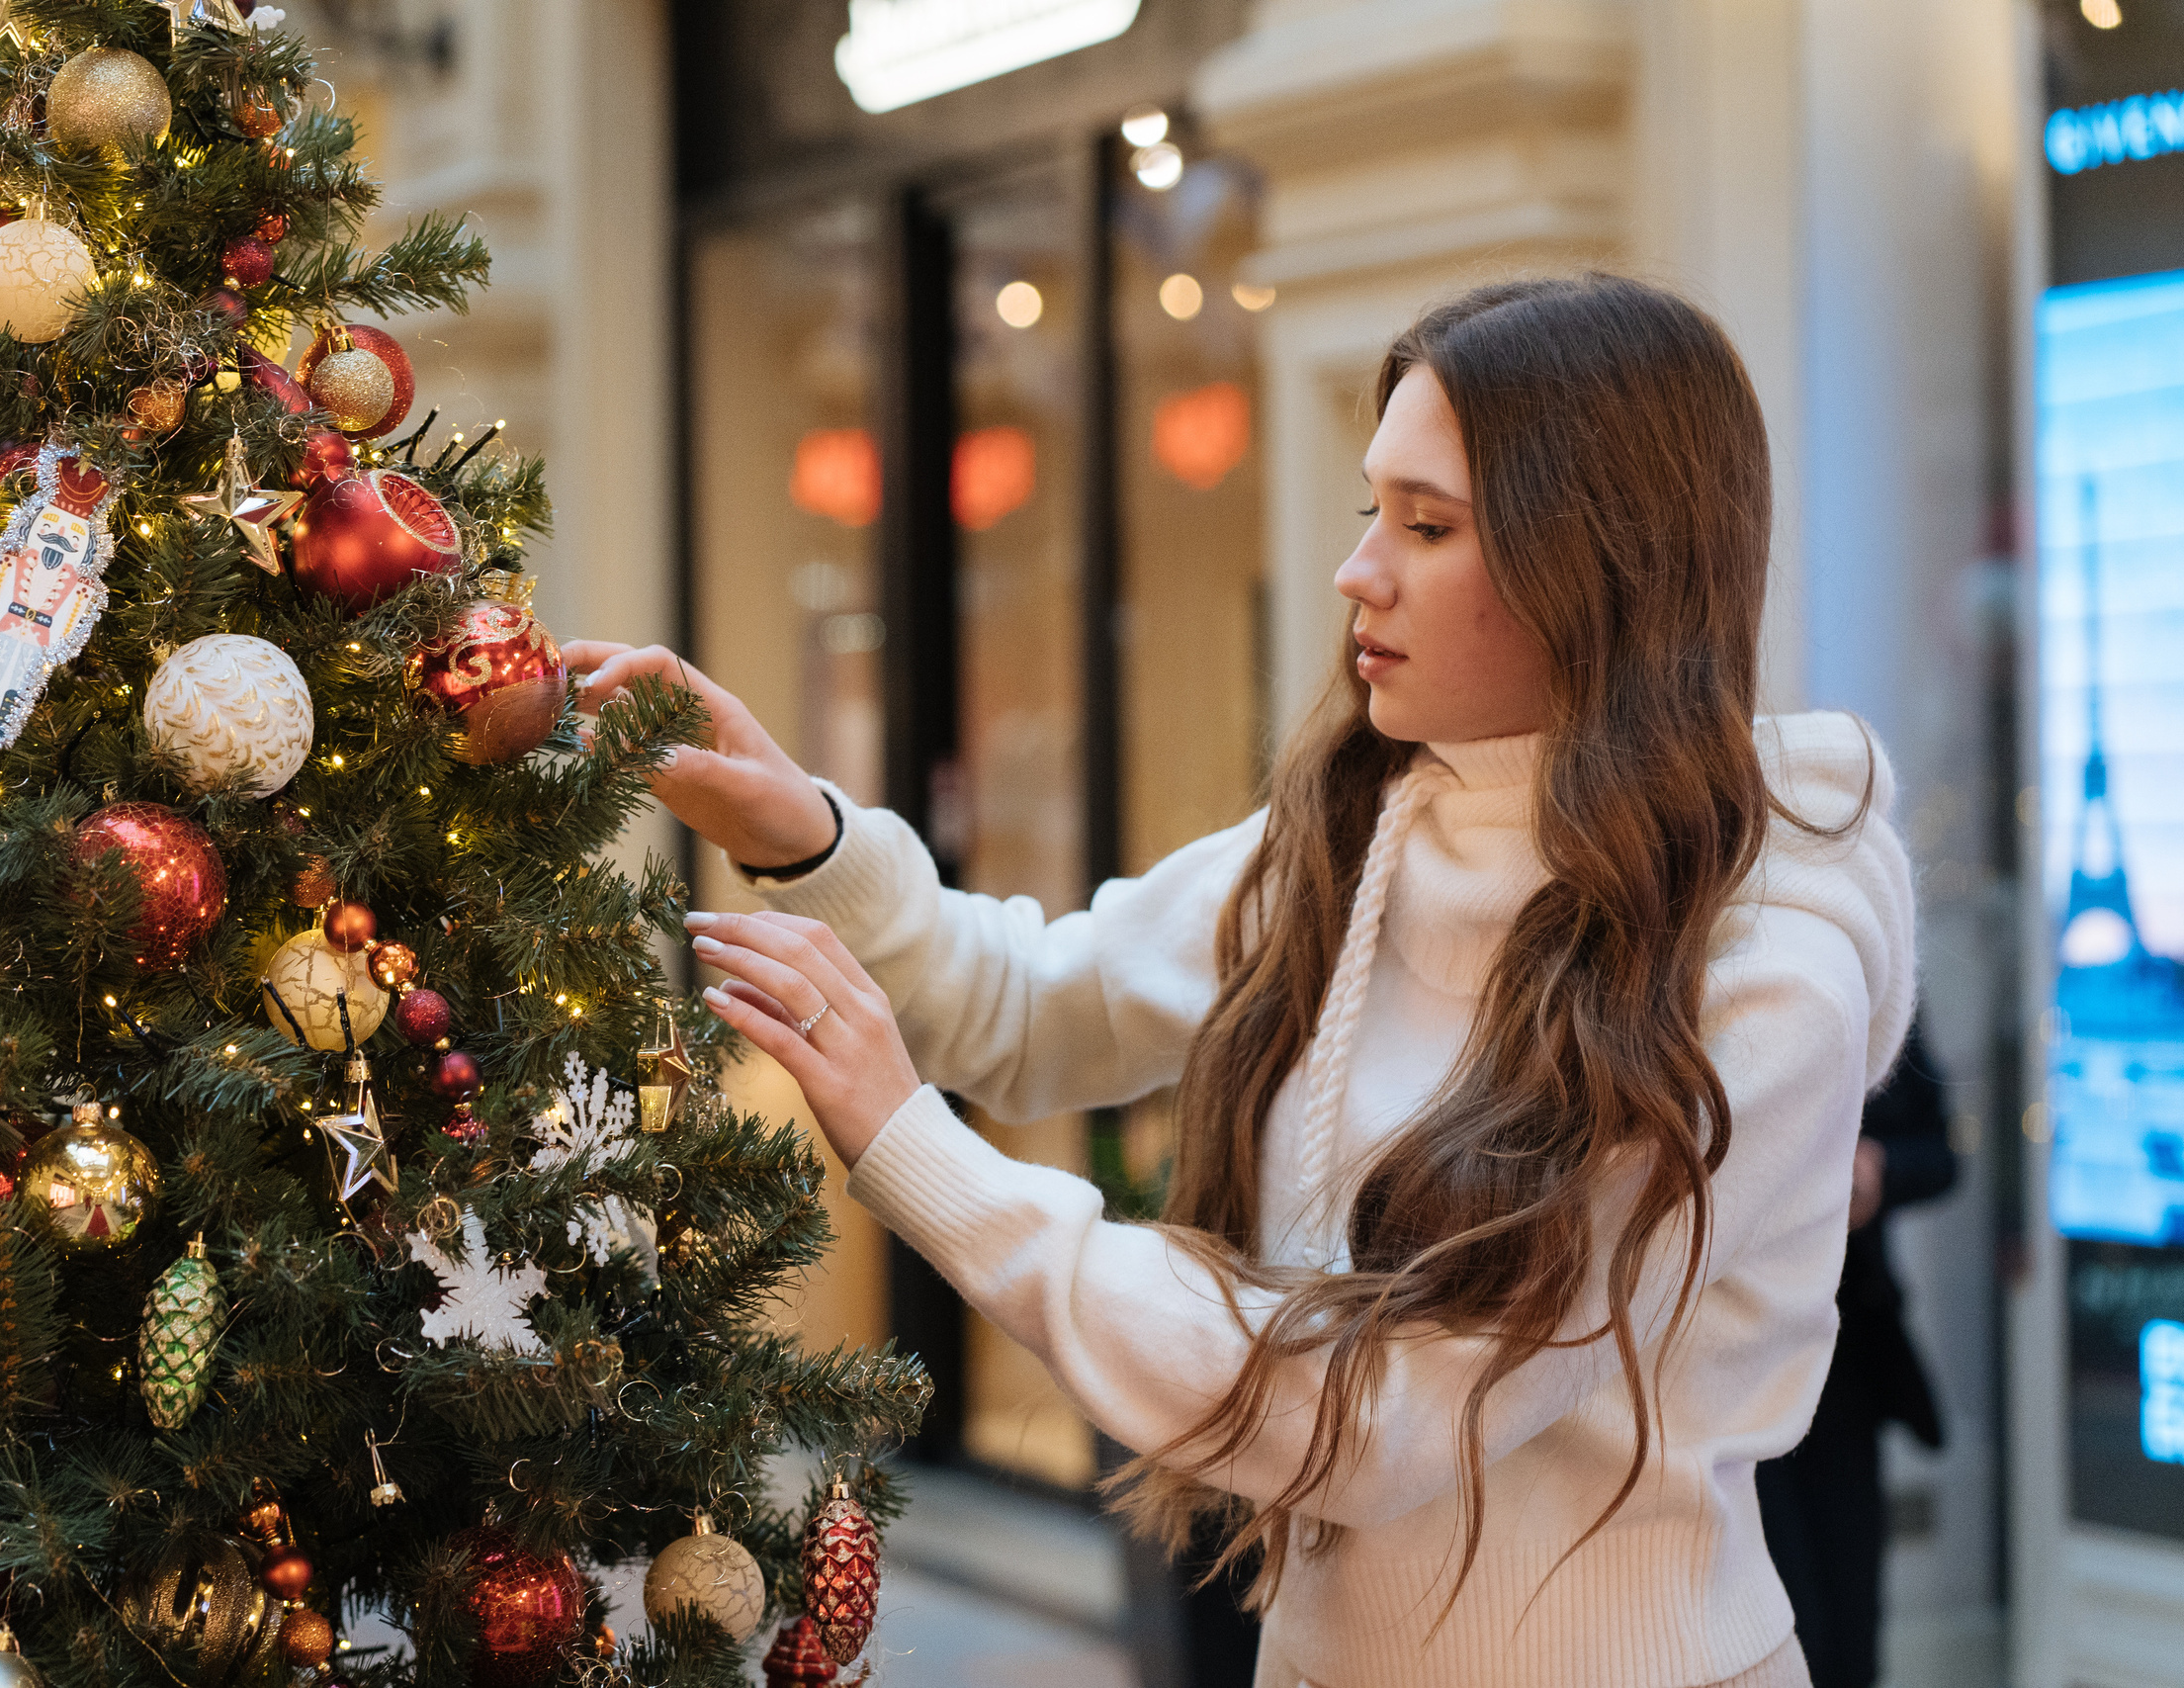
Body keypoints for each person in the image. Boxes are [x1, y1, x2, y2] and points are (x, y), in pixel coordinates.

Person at [567, 274, 1915, 1688]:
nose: (1359, 572)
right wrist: (804, 828)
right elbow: (1031, 1010)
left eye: (1431, 525)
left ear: (1600, 562)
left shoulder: (1760, 977)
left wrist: (926, 1158)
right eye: (1369, 509)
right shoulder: (1361, 829)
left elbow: (1385, 1411)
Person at [1756, 1022, 1958, 1688]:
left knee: (1852, 1626)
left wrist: (1877, 1168)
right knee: (1783, 1627)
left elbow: (1941, 1151)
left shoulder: (1869, 983)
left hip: (1846, 1359)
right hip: (1737, 1368)